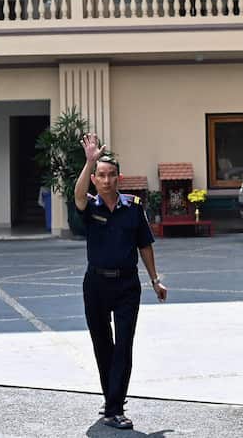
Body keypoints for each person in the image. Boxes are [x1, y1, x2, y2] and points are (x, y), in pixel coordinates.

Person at [75, 132, 168, 430]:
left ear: (119, 178)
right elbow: (77, 196)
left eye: (111, 175)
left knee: (124, 345)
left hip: (127, 285)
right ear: (95, 179)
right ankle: (111, 398)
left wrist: (155, 280)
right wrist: (89, 161)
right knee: (103, 344)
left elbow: (145, 245)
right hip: (96, 285)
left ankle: (114, 408)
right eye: (100, 175)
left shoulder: (133, 207)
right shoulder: (90, 207)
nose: (105, 180)